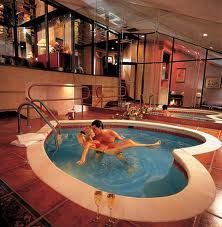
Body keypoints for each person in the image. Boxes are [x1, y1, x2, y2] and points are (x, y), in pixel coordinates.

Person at [76, 125, 161, 165]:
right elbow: (85, 149)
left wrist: (84, 132)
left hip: (110, 148)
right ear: (87, 135)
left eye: (93, 131)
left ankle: (150, 146)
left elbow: (81, 137)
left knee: (129, 141)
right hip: (109, 151)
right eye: (91, 132)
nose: (93, 132)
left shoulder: (93, 140)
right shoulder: (89, 142)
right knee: (130, 143)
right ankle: (151, 145)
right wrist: (83, 159)